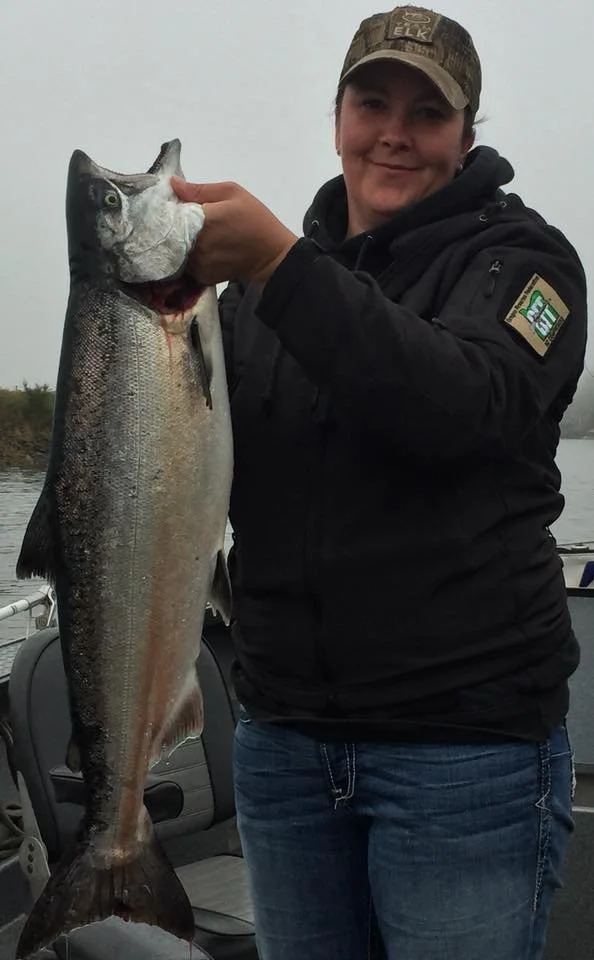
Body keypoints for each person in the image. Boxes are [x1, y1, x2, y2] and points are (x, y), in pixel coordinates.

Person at [173, 6, 587, 959]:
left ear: (466, 137)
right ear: (337, 121)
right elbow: (185, 472)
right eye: (372, 104)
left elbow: (462, 408)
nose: (395, 133)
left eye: (427, 112)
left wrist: (279, 264)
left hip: (466, 752)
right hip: (283, 744)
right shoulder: (252, 301)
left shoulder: (527, 267)